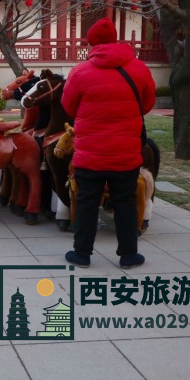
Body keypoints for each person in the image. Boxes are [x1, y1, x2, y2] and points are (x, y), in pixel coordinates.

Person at [60, 17, 156, 269]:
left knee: (86, 201)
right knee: (125, 201)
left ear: (91, 43)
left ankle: (81, 253)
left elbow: (68, 105)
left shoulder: (80, 71)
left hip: (90, 153)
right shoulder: (139, 68)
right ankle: (128, 255)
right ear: (115, 38)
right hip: (125, 152)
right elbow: (146, 104)